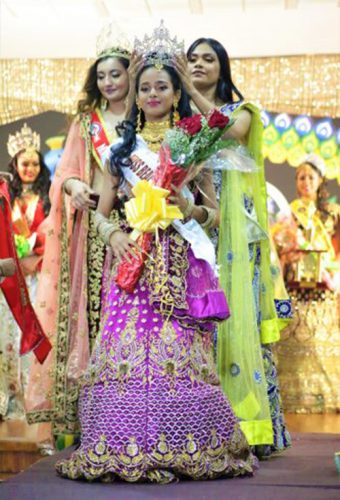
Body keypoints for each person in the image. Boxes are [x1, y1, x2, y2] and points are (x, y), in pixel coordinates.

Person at [56, 23, 257, 483]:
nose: (151, 93)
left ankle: (184, 442)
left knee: (178, 349)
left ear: (174, 91)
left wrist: (190, 207)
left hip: (180, 261)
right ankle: (123, 442)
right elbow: (101, 212)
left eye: (161, 86)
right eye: (144, 86)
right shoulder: (120, 151)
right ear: (135, 90)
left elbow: (212, 215)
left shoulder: (192, 144)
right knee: (127, 349)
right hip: (131, 260)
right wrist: (113, 236)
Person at [173, 38, 292, 457]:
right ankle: (204, 429)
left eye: (208, 59)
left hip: (236, 239)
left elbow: (231, 133)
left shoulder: (242, 111)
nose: (200, 65)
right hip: (194, 226)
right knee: (199, 322)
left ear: (222, 68)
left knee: (236, 320)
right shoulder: (178, 118)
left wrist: (189, 91)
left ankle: (253, 430)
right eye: (192, 59)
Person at [25, 33, 131, 448]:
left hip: (138, 225)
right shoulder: (87, 123)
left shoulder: (144, 118)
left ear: (129, 75)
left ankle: (130, 408)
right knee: (95, 312)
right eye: (101, 76)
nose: (108, 82)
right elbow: (65, 172)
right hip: (95, 228)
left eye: (115, 74)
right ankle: (91, 416)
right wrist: (74, 188)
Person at [274, 155, 339, 413]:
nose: (306, 182)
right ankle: (292, 398)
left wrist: (329, 271)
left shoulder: (333, 214)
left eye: (311, 177)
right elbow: (279, 251)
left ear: (320, 181)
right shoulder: (288, 213)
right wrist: (289, 252)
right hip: (296, 288)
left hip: (325, 288)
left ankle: (329, 397)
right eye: (301, 177)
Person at [0, 125, 51, 419]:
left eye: (34, 163)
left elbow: (55, 231)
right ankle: (10, 398)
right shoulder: (7, 196)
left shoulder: (47, 197)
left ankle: (35, 400)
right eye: (24, 163)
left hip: (37, 276)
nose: (29, 169)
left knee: (34, 333)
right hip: (11, 277)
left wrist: (35, 244)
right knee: (8, 333)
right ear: (15, 165)